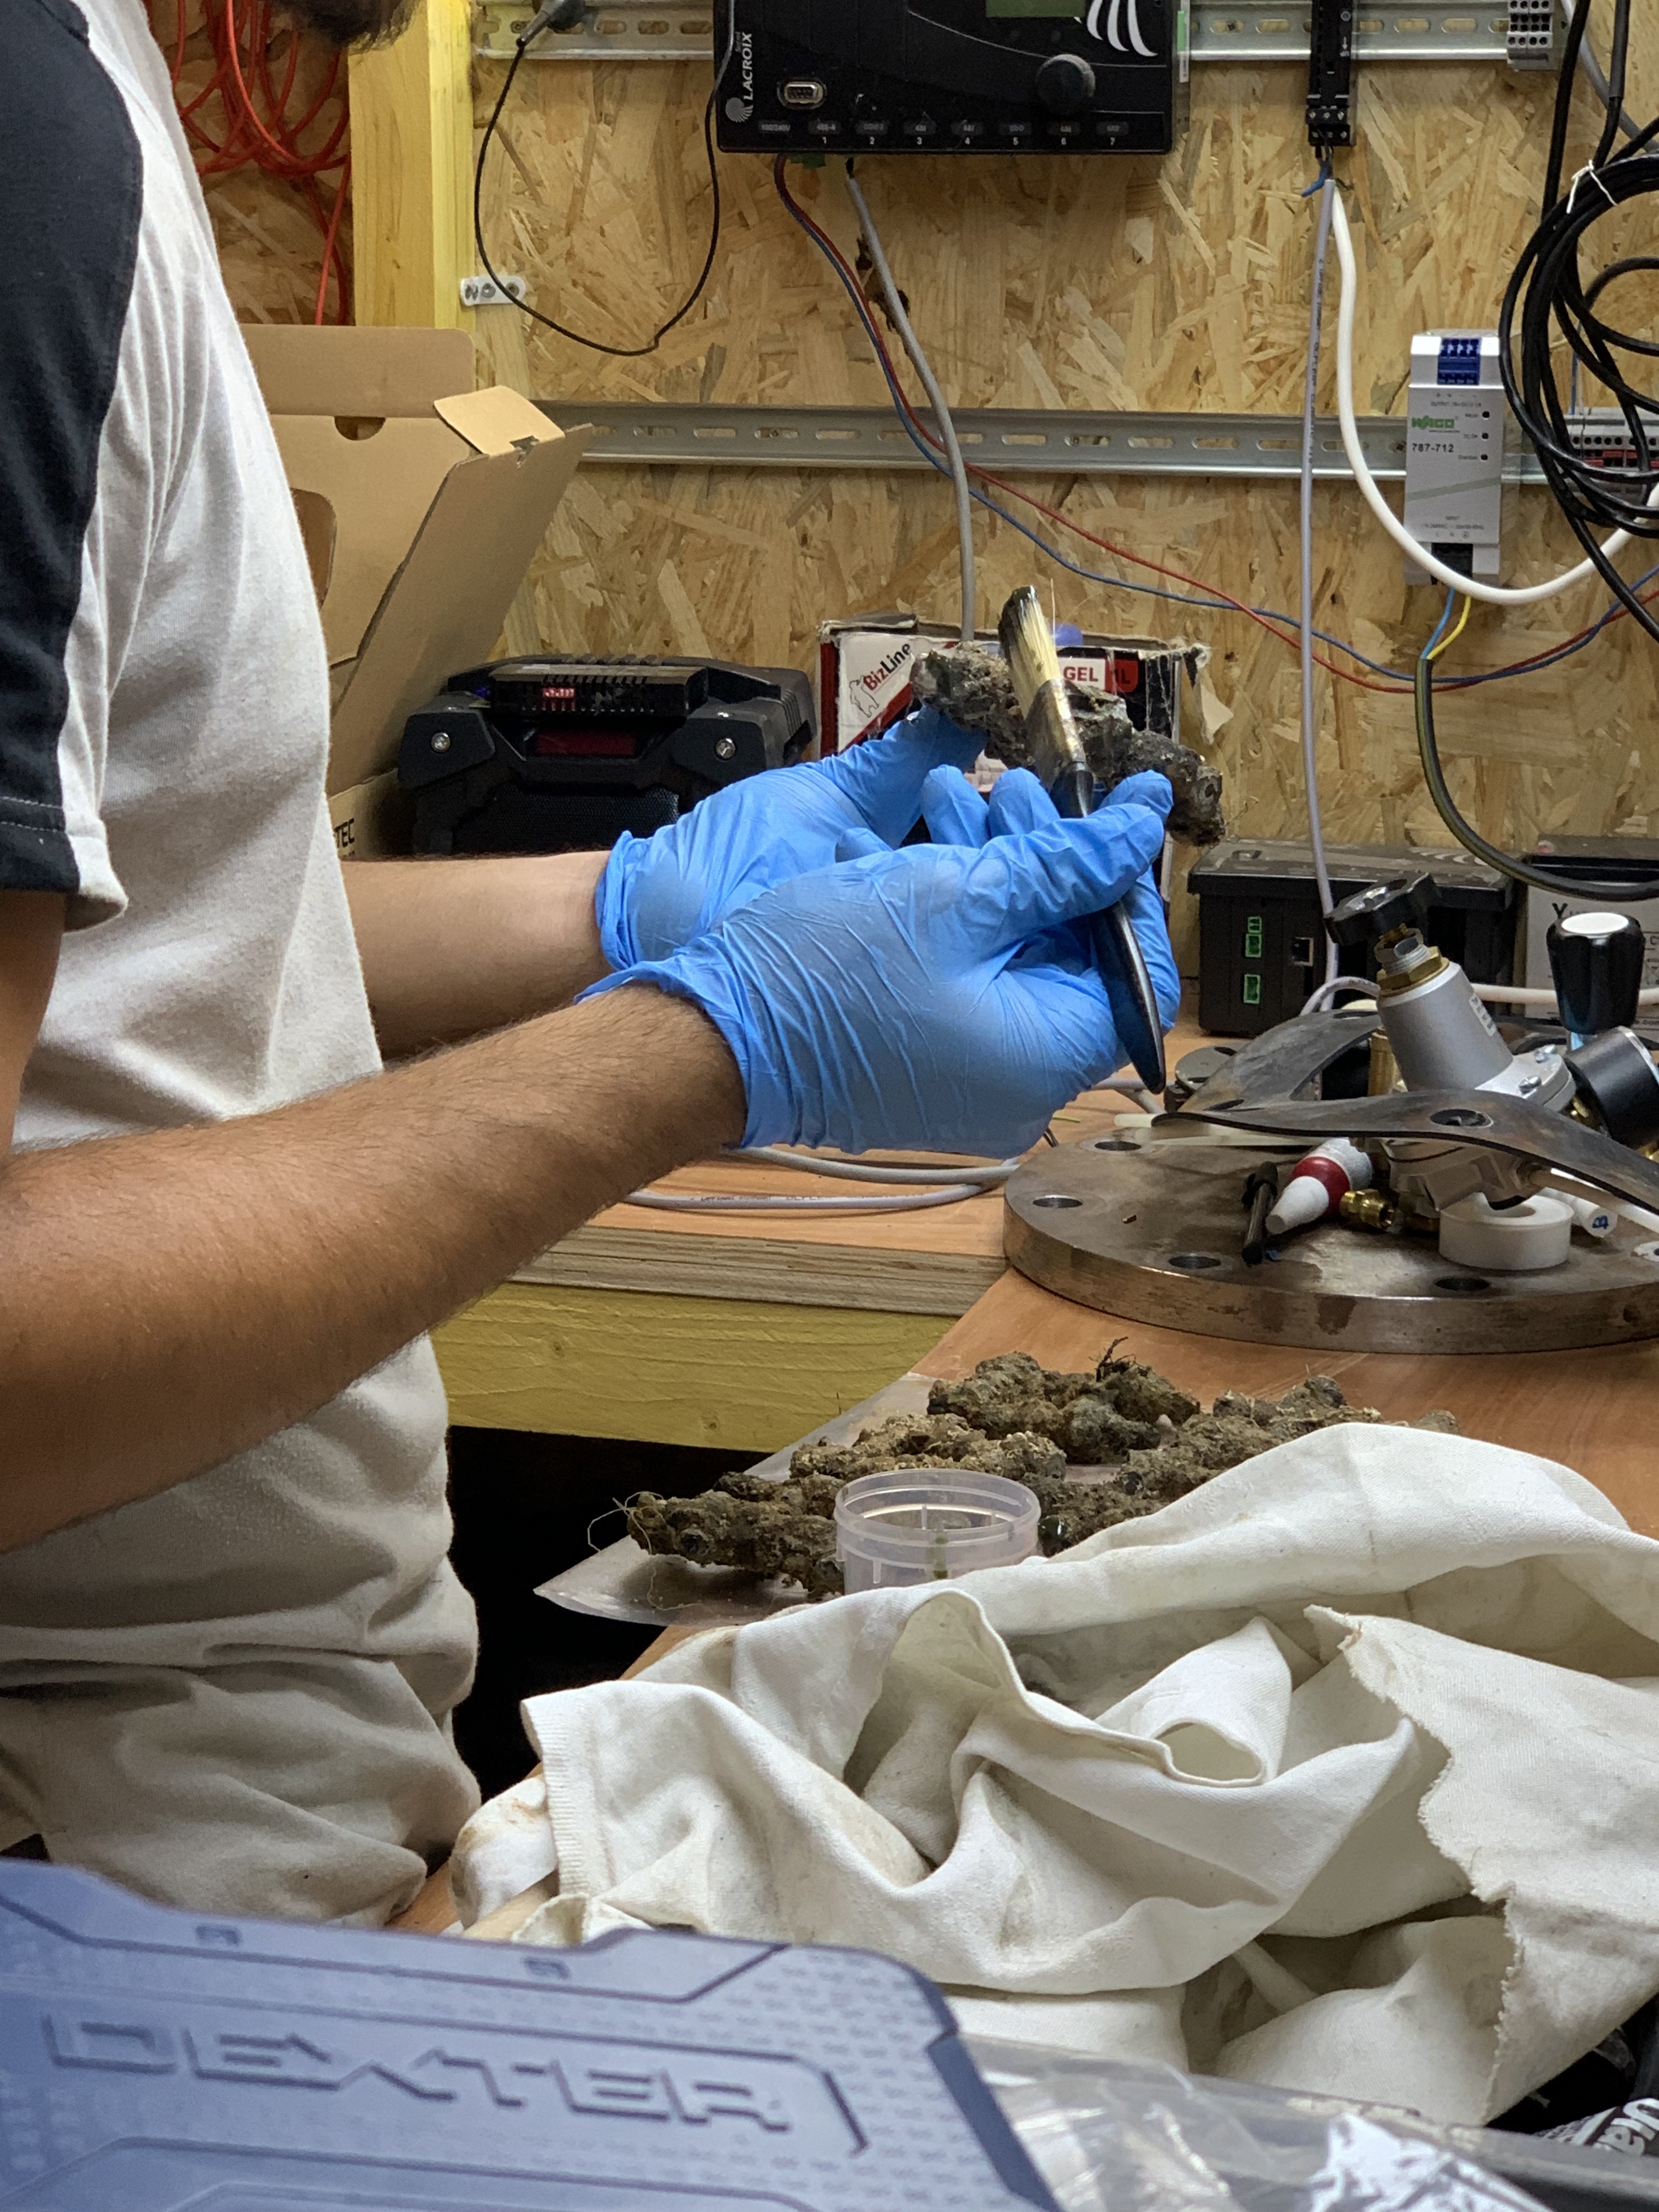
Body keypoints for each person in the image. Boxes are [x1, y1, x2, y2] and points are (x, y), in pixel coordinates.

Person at [0, 0, 1178, 1923]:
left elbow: (151, 955)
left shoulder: (82, 94)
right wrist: (708, 1045)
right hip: (110, 1878)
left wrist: (619, 911)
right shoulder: (22, 135)